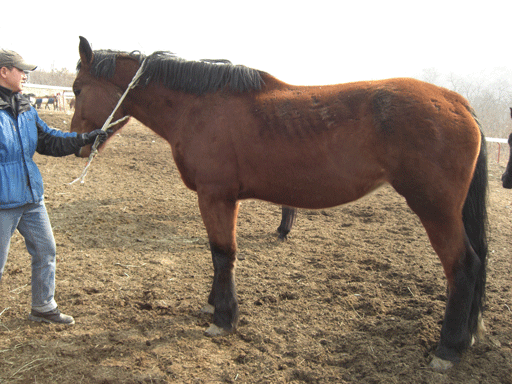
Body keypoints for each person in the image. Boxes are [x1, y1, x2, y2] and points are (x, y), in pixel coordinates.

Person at [0, 49, 108, 325]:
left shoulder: (24, 106)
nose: (25, 74)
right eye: (20, 70)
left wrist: (83, 139)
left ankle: (43, 307)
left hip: (31, 197)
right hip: (2, 202)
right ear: (3, 71)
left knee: (46, 250)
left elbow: (48, 139)